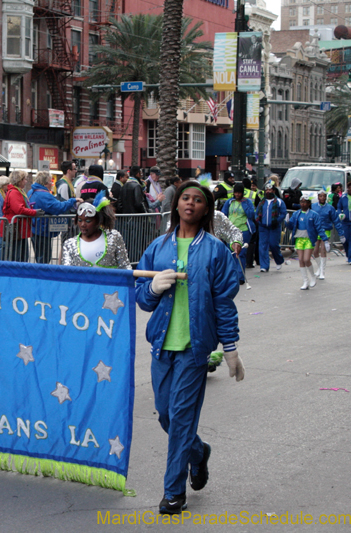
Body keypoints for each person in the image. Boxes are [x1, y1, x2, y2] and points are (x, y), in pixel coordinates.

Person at [135, 180, 243, 515]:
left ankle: (173, 492)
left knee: (180, 418)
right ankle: (199, 453)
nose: (191, 204)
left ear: (207, 209)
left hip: (195, 350)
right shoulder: (158, 247)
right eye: (186, 198)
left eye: (198, 200)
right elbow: (141, 298)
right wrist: (152, 288)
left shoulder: (216, 251)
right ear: (176, 204)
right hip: (161, 348)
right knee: (166, 415)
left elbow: (224, 303)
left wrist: (231, 348)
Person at [62, 192, 130, 269]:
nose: (82, 224)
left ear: (98, 221)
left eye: (88, 221)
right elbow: (66, 273)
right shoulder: (70, 244)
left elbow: (125, 266)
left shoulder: (113, 237)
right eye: (80, 220)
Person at [29, 171, 78, 264]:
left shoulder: (31, 192)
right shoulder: (44, 195)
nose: (52, 184)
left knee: (39, 256)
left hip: (34, 228)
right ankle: (43, 277)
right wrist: (72, 201)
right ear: (46, 183)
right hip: (43, 230)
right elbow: (58, 207)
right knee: (44, 258)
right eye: (50, 181)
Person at [286, 197, 327, 290]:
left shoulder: (314, 214)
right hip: (299, 239)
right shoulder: (297, 214)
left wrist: (325, 239)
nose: (303, 204)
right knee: (300, 259)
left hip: (309, 239)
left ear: (309, 204)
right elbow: (291, 226)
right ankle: (305, 281)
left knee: (306, 259)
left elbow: (319, 228)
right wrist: (287, 222)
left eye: (305, 202)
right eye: (301, 202)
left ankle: (312, 276)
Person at [2, 170, 42, 262]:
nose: (26, 181)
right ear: (19, 180)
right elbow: (19, 209)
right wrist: (33, 212)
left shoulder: (16, 191)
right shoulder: (15, 192)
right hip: (17, 229)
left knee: (21, 255)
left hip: (18, 228)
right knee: (19, 256)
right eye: (24, 179)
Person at [221, 184, 256, 282]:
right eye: (236, 192)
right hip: (230, 231)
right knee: (231, 253)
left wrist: (244, 204)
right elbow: (224, 214)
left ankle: (240, 277)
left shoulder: (247, 202)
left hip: (243, 230)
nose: (237, 194)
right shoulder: (229, 202)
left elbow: (251, 214)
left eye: (239, 192)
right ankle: (232, 277)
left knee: (240, 254)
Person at [311, 189, 345, 279]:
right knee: (315, 251)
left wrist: (341, 234)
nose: (322, 198)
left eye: (324, 196)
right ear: (318, 197)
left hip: (325, 230)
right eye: (320, 196)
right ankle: (319, 267)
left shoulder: (330, 208)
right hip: (315, 231)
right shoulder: (313, 206)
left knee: (323, 250)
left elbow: (336, 221)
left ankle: (322, 271)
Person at [255, 181, 287, 272]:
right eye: (267, 190)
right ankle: (264, 266)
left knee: (274, 245)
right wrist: (259, 220)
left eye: (270, 189)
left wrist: (277, 221)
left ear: (274, 191)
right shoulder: (262, 202)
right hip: (263, 227)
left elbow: (283, 213)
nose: (268, 191)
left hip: (274, 227)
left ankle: (279, 260)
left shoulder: (279, 202)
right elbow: (257, 213)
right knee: (263, 246)